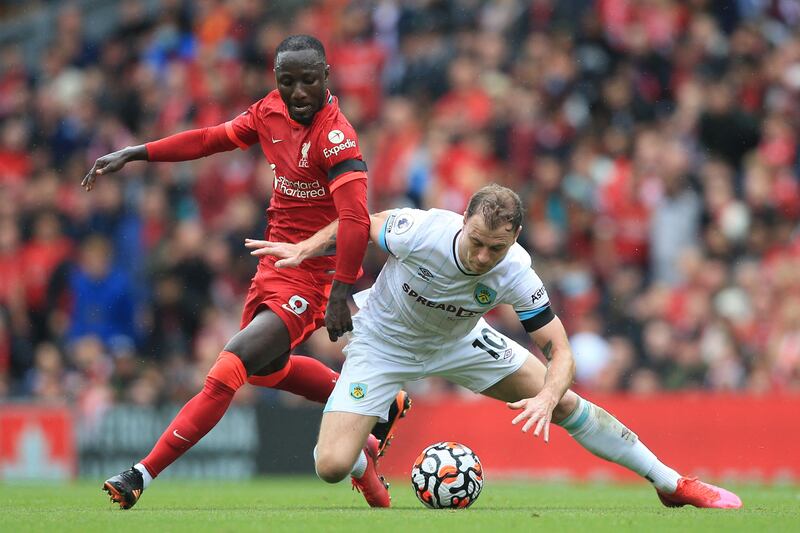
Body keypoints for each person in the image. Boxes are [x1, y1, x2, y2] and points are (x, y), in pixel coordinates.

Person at [248, 184, 743, 510]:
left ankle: (671, 483)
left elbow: (561, 352)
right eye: (478, 242)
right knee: (331, 466)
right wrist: (306, 248)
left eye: (496, 248)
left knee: (568, 401)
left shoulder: (515, 271)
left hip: (461, 341)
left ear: (516, 238)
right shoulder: (421, 231)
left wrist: (549, 398)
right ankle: (365, 455)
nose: (484, 256)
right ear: (463, 220)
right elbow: (358, 224)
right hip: (383, 342)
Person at [88, 35, 408, 510]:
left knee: (229, 368)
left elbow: (357, 221)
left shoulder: (336, 137)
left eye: (307, 81)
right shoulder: (269, 111)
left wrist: (340, 291)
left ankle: (142, 473)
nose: (297, 92)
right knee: (265, 373)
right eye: (286, 81)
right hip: (274, 266)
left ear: (327, 77)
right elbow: (207, 139)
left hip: (314, 275)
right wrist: (138, 152)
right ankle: (378, 409)